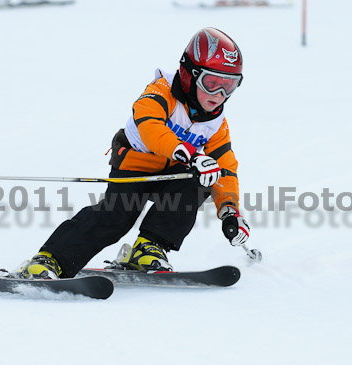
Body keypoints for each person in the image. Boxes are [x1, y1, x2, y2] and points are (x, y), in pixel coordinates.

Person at [16, 27, 251, 279]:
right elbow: (151, 128)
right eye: (211, 83)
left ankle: (147, 248)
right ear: (188, 74)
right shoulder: (160, 92)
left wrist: (230, 210)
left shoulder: (216, 122)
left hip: (173, 172)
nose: (219, 95)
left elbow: (225, 166)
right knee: (117, 215)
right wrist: (193, 155)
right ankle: (49, 260)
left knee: (202, 179)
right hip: (135, 165)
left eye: (229, 86)